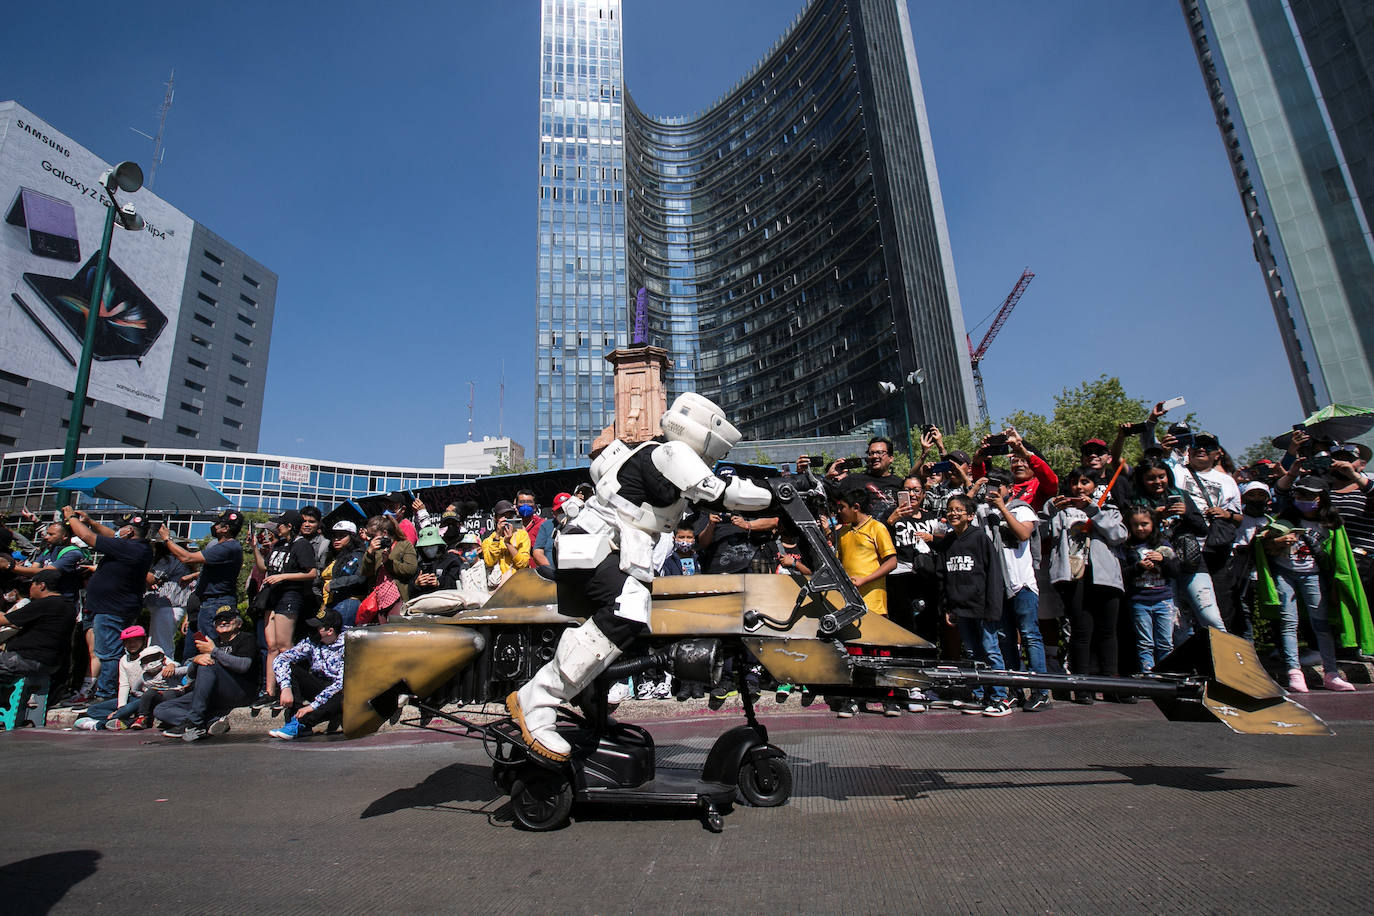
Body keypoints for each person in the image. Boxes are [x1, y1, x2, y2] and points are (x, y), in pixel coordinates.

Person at [507, 392, 770, 763]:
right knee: (626, 609)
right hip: (596, 543)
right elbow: (720, 493)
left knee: (623, 628)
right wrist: (778, 494)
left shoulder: (650, 451)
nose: (716, 456)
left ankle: (592, 707)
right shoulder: (671, 453)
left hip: (609, 545)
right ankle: (538, 698)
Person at [1044, 467, 1128, 703]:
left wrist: (1093, 510)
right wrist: (1049, 511)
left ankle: (1111, 685)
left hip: (1104, 576)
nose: (1078, 488)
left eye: (1085, 482)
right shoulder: (1062, 511)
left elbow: (1119, 535)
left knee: (1108, 631)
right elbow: (1042, 533)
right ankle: (1083, 686)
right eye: (1074, 483)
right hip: (1073, 575)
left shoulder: (1107, 508)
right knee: (1081, 631)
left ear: (1094, 486)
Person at [61, 508, 154, 702]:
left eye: (121, 528)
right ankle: (108, 692)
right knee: (110, 652)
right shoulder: (136, 546)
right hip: (114, 607)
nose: (116, 531)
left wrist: (71, 517)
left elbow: (86, 537)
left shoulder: (131, 548)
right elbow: (110, 536)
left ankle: (106, 694)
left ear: (128, 532)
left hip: (112, 609)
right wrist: (92, 522)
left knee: (109, 654)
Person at [979, 469, 1051, 712]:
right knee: (1006, 640)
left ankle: (1042, 691)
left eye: (998, 485)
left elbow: (1022, 533)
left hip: (1022, 584)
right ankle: (1015, 690)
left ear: (1009, 488)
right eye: (990, 485)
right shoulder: (985, 512)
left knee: (1030, 636)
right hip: (998, 586)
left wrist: (1002, 508)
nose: (994, 490)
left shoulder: (1022, 508)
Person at [1130, 456, 1222, 639]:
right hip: (1161, 570)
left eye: (1161, 476)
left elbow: (1202, 529)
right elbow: (1134, 535)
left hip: (1191, 562)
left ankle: (1228, 660)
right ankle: (1186, 665)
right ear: (1142, 480)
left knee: (1209, 615)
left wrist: (1186, 513)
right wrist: (1154, 516)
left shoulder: (1180, 495)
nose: (1157, 482)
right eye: (1151, 478)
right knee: (1177, 623)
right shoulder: (1137, 502)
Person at [938, 495, 1011, 717]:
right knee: (971, 652)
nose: (953, 513)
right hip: (961, 608)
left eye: (959, 510)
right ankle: (978, 694)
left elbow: (993, 574)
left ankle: (1000, 697)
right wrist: (948, 607)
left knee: (991, 650)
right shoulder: (948, 542)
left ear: (970, 515)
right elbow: (944, 577)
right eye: (950, 509)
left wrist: (993, 607)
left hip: (982, 607)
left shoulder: (980, 538)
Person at [832, 487, 899, 716]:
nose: (839, 511)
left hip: (875, 603)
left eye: (842, 507)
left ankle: (889, 699)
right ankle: (854, 698)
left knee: (880, 653)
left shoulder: (877, 528)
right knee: (853, 653)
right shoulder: (842, 533)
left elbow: (891, 562)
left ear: (856, 507)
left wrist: (865, 580)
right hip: (851, 606)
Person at [1175, 433, 1244, 633]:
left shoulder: (1226, 480)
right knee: (1195, 607)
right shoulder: (1177, 471)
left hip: (1217, 549)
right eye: (1196, 445)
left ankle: (1226, 654)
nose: (1201, 449)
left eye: (1208, 446)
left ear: (1217, 453)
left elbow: (1239, 518)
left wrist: (1225, 514)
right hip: (1187, 547)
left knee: (1223, 606)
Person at [155, 607, 258, 740]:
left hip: (239, 691)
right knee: (161, 710)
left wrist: (214, 652)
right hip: (210, 694)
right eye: (219, 620)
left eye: (228, 618)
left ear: (239, 623)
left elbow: (243, 666)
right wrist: (196, 661)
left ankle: (195, 723)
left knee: (208, 666)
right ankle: (209, 722)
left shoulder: (246, 638)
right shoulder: (212, 642)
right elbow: (192, 675)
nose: (223, 622)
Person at [250, 509, 319, 706]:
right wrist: (254, 548)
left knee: (284, 646)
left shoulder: (302, 545)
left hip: (289, 595)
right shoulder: (279, 545)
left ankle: (290, 688)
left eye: (280, 525)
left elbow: (311, 573)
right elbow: (264, 568)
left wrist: (283, 576)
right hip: (272, 597)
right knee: (271, 646)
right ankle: (269, 691)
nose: (276, 528)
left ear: (290, 526)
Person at [159, 510, 244, 649]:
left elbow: (187, 557)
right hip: (205, 604)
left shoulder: (229, 547)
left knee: (208, 650)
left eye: (217, 524)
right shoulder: (224, 547)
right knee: (195, 649)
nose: (214, 527)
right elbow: (217, 573)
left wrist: (167, 539)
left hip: (215, 604)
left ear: (225, 528)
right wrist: (193, 576)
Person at [269, 609, 347, 740]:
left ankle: (303, 723)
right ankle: (294, 720)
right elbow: (281, 659)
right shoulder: (312, 641)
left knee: (343, 696)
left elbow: (341, 682)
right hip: (320, 685)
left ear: (330, 631)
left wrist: (312, 706)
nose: (313, 630)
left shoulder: (348, 644)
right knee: (291, 669)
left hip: (340, 691)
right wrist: (285, 687)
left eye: (318, 627)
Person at [1121, 505, 1180, 673]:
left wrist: (1163, 560)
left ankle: (1166, 674)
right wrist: (1138, 567)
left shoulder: (1163, 544)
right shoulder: (1128, 547)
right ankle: (1148, 675)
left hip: (1164, 599)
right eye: (1135, 525)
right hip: (1139, 601)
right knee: (1145, 642)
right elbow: (1123, 574)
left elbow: (1176, 571)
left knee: (1165, 642)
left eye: (1144, 524)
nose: (1140, 528)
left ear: (1153, 524)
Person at [0, 569, 75, 685]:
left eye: (32, 584)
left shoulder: (43, 604)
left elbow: (4, 620)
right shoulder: (68, 606)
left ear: (42, 586)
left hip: (27, 659)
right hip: (51, 662)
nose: (30, 588)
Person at [360, 514, 418, 623]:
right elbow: (365, 572)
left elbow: (411, 569)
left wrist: (389, 563)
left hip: (398, 596)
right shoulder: (373, 549)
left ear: (384, 533)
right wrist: (369, 554)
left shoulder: (404, 545)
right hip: (378, 598)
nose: (371, 539)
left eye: (373, 536)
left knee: (395, 630)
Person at [320, 520, 369, 627]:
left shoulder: (358, 554)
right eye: (334, 536)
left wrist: (334, 584)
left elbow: (360, 577)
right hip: (334, 602)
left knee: (342, 636)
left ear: (352, 537)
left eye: (342, 536)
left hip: (349, 602)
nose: (336, 539)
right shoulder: (336, 556)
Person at [481, 501, 531, 584]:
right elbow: (489, 562)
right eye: (503, 516)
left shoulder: (522, 535)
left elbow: (523, 563)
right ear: (495, 518)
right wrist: (497, 536)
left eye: (510, 516)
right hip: (498, 586)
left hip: (519, 583)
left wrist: (508, 543)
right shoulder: (488, 541)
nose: (506, 520)